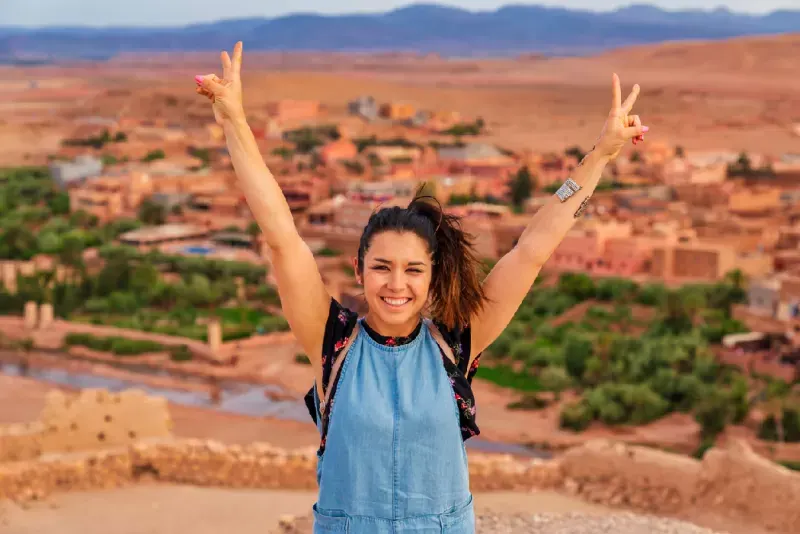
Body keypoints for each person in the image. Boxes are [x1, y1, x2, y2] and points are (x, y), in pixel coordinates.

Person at [195, 41, 648, 534]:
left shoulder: (456, 343)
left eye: (413, 270)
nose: (396, 284)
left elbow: (531, 249)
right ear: (358, 269)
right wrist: (235, 122)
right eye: (382, 267)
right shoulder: (332, 342)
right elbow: (281, 235)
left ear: (432, 276)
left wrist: (599, 156)